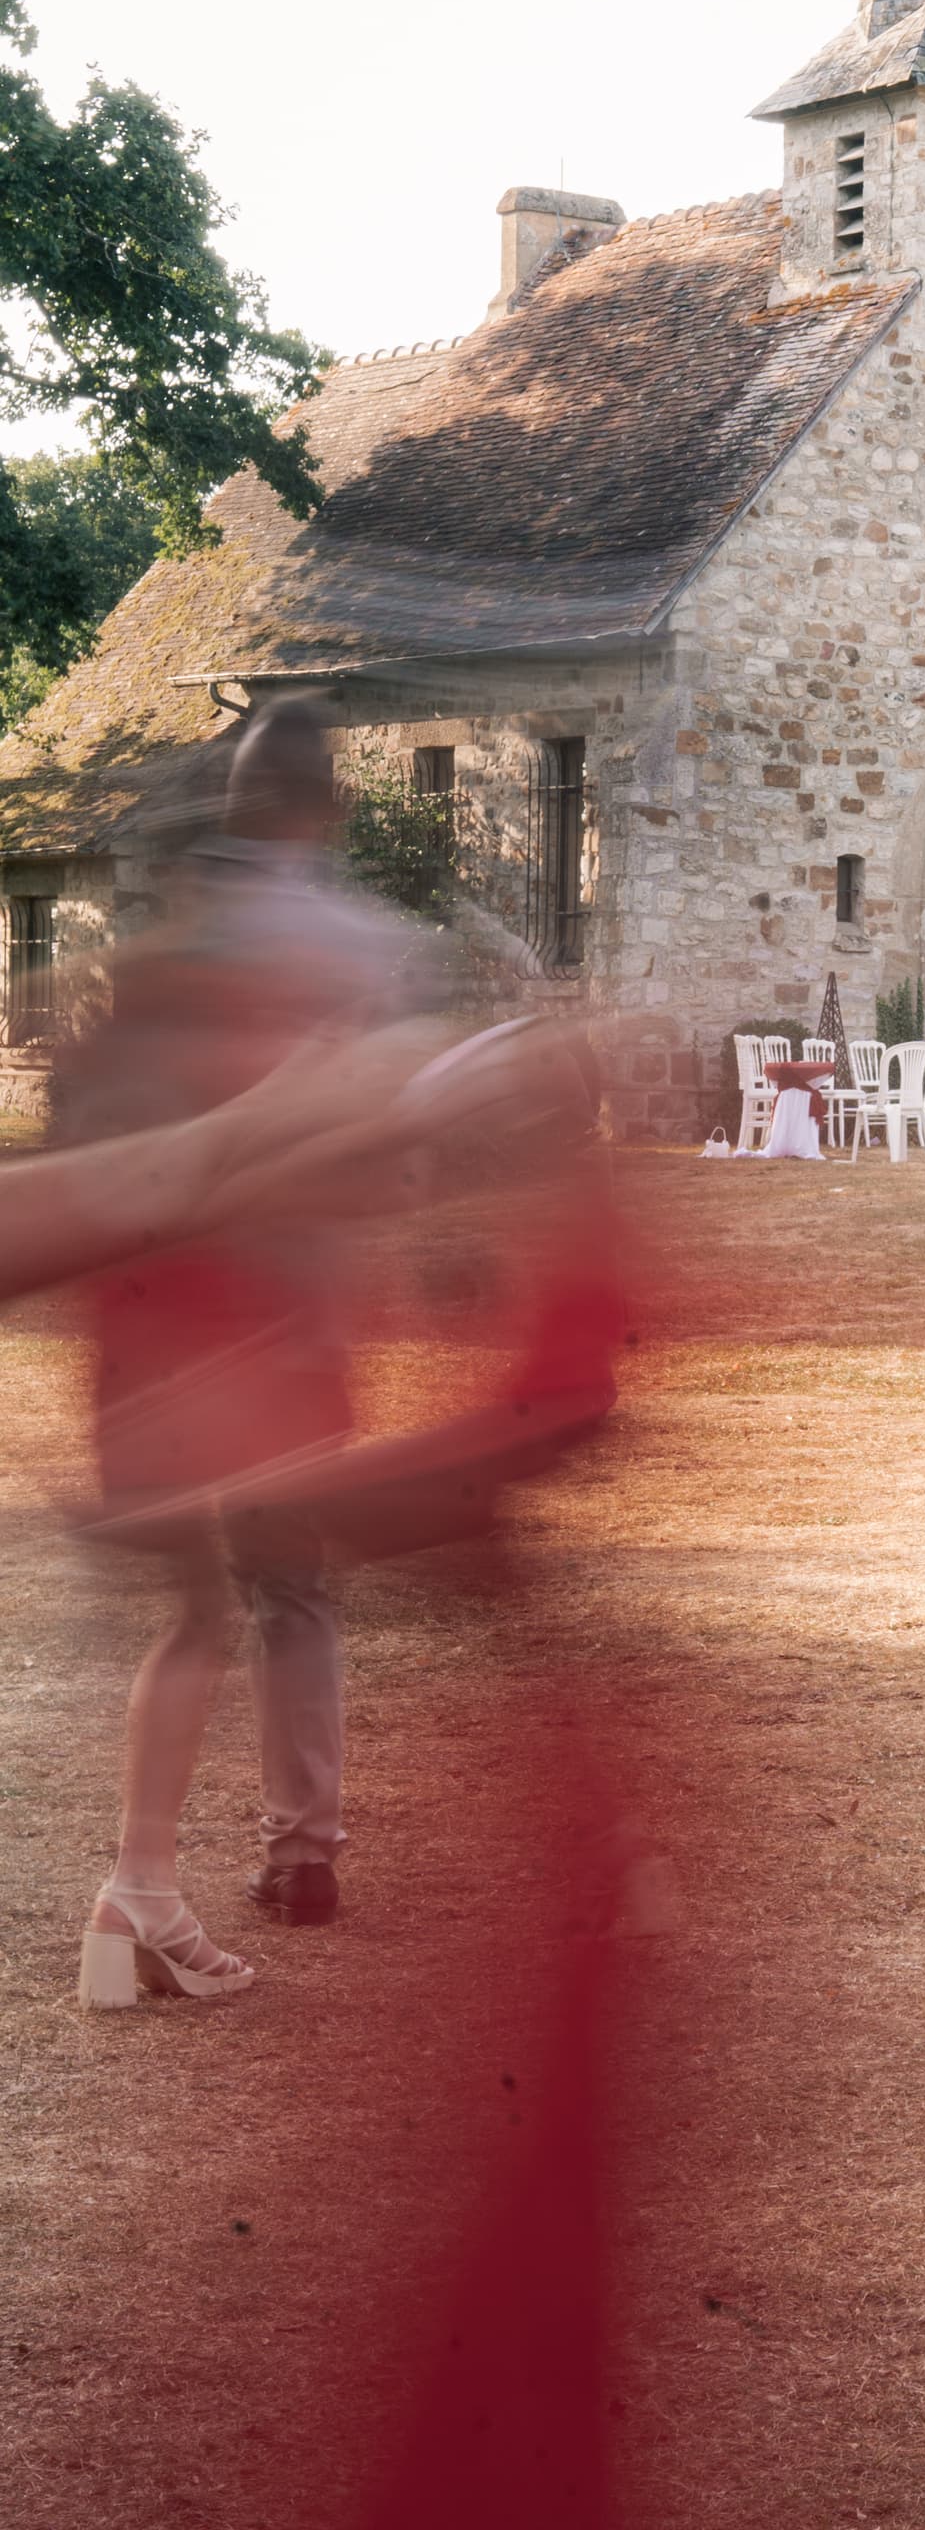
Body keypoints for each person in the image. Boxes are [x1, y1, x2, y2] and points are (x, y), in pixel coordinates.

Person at [70, 700, 417, 2003]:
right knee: (290, 1589)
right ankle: (301, 1852)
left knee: (190, 1607)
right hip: (289, 1321)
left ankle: (142, 1881)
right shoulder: (366, 950)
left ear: (232, 802)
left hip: (156, 1319)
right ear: (325, 807)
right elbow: (388, 1147)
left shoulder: (162, 941)